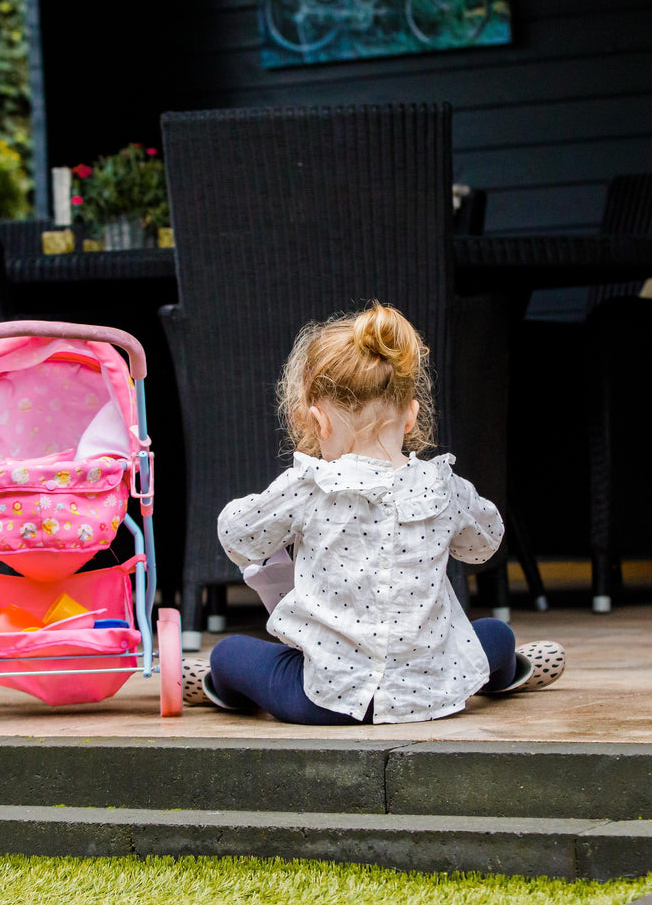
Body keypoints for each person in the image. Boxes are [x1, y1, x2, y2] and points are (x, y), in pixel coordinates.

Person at [180, 302, 565, 724]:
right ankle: (500, 676)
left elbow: (237, 539)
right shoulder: (443, 485)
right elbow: (484, 546)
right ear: (411, 415)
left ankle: (225, 689)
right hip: (431, 694)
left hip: (322, 700)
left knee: (229, 653)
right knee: (495, 634)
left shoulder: (310, 487)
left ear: (317, 421)